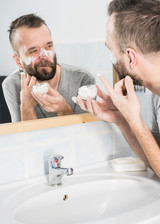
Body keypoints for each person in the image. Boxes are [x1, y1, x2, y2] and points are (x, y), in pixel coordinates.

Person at [76, 0, 160, 177]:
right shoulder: (156, 96)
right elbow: (156, 159)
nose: (112, 58)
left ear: (130, 57)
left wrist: (136, 121)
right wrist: (122, 119)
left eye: (111, 50)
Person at [2, 13, 95, 122]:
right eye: (33, 51)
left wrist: (64, 110)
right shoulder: (12, 85)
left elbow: (84, 136)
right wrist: (27, 107)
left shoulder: (82, 79)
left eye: (48, 46)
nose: (44, 56)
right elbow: (24, 138)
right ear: (18, 61)